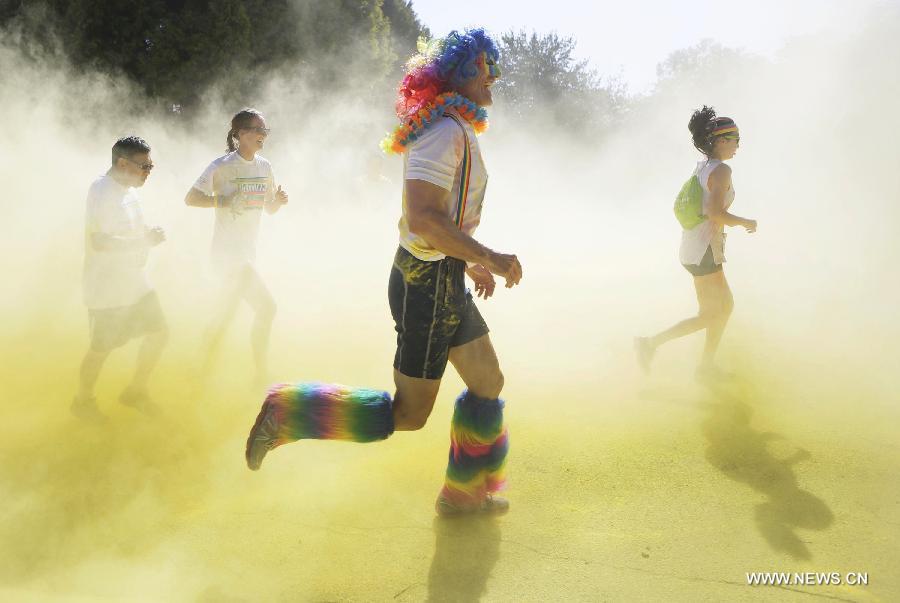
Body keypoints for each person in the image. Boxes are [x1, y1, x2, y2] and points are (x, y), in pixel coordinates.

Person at [244, 29, 522, 516]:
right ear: (456, 76)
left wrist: (469, 259)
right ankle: (287, 411)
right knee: (409, 415)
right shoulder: (442, 132)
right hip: (425, 285)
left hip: (442, 277)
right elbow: (424, 219)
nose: (491, 77)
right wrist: (492, 256)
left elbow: (442, 220)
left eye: (490, 67)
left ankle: (463, 495)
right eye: (480, 68)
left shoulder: (455, 127)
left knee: (488, 383)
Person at [636, 106, 757, 381]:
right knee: (714, 313)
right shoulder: (722, 170)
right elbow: (716, 213)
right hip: (703, 250)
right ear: (721, 141)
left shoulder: (702, 166)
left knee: (720, 309)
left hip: (694, 249)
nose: (738, 145)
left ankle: (704, 366)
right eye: (736, 139)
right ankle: (651, 344)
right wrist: (746, 222)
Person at [184, 108, 288, 385]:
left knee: (224, 317)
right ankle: (260, 375)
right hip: (227, 256)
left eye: (265, 130)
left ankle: (198, 371)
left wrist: (278, 201)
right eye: (257, 129)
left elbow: (269, 209)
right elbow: (191, 198)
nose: (263, 135)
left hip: (246, 255)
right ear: (240, 134)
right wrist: (223, 202)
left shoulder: (264, 166)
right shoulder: (222, 166)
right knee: (267, 308)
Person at [72, 136, 168, 421]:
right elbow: (100, 241)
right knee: (101, 349)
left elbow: (130, 230)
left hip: (134, 282)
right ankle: (82, 402)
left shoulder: (129, 189)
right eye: (144, 166)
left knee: (159, 332)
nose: (148, 172)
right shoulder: (102, 190)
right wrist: (144, 242)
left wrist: (147, 233)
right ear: (123, 163)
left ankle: (135, 391)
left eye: (151, 166)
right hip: (106, 287)